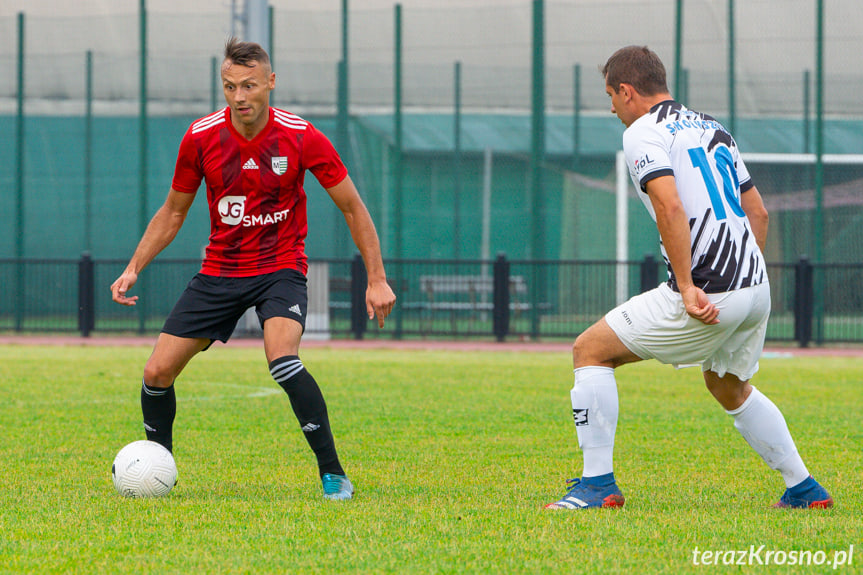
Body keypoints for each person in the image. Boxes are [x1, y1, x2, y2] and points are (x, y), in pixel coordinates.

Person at [545, 46, 832, 510]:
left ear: (627, 90)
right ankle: (803, 487)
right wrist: (745, 280)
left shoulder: (642, 132)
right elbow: (757, 212)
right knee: (728, 385)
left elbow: (669, 206)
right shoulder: (712, 126)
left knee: (590, 350)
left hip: (709, 288)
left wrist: (687, 284)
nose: (611, 109)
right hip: (755, 288)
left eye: (611, 97)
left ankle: (596, 486)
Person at [110, 37, 396, 501]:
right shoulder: (200, 137)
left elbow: (352, 206)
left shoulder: (301, 137)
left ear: (270, 83)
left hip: (280, 268)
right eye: (228, 86)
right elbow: (173, 212)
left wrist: (377, 278)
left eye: (248, 85)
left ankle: (333, 474)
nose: (239, 96)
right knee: (157, 373)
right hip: (220, 271)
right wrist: (133, 267)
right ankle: (158, 467)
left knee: (282, 359)